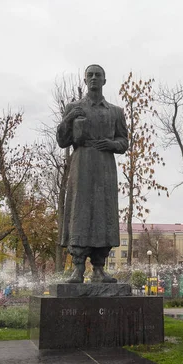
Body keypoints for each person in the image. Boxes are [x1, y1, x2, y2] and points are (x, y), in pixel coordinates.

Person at [57, 64, 129, 283]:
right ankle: (78, 268)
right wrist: (69, 119)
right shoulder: (74, 107)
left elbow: (124, 142)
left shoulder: (115, 111)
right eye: (90, 75)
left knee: (104, 213)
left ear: (104, 80)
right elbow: (62, 141)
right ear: (85, 80)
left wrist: (111, 143)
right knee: (81, 211)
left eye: (98, 75)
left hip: (105, 167)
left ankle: (99, 268)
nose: (94, 78)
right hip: (82, 165)